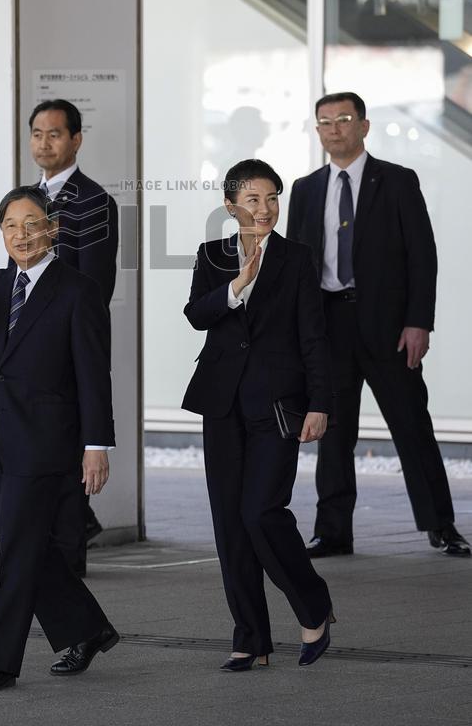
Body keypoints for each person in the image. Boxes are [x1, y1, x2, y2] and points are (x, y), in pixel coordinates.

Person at [0, 186, 119, 691]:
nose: (21, 235)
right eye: (11, 226)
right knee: (27, 545)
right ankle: (87, 629)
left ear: (52, 228)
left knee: (16, 554)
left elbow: (93, 375)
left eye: (32, 223)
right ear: (2, 232)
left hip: (45, 443)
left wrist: (96, 444)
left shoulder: (77, 291)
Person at [287, 91, 470, 559]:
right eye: (325, 122)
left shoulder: (398, 181)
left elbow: (422, 257)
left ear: (364, 126)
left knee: (411, 425)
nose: (334, 129)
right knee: (333, 433)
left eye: (344, 119)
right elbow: (297, 267)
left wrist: (418, 323)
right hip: (328, 326)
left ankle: (440, 525)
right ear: (317, 131)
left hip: (389, 328)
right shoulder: (305, 189)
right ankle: (332, 531)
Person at [183, 159, 335, 670]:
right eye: (253, 200)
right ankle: (251, 637)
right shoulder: (212, 255)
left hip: (277, 405)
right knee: (230, 523)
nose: (265, 208)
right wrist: (235, 287)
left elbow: (314, 335)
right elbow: (196, 315)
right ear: (231, 206)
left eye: (272, 198)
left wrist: (319, 402)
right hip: (221, 403)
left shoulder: (297, 259)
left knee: (261, 512)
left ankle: (313, 604)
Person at [28, 98, 119, 575]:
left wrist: (70, 340)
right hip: (27, 345)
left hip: (66, 344)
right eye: (38, 134)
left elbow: (95, 288)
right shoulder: (25, 199)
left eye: (56, 134)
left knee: (66, 444)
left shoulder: (94, 201)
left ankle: (71, 548)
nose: (45, 143)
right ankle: (66, 534)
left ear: (77, 139)